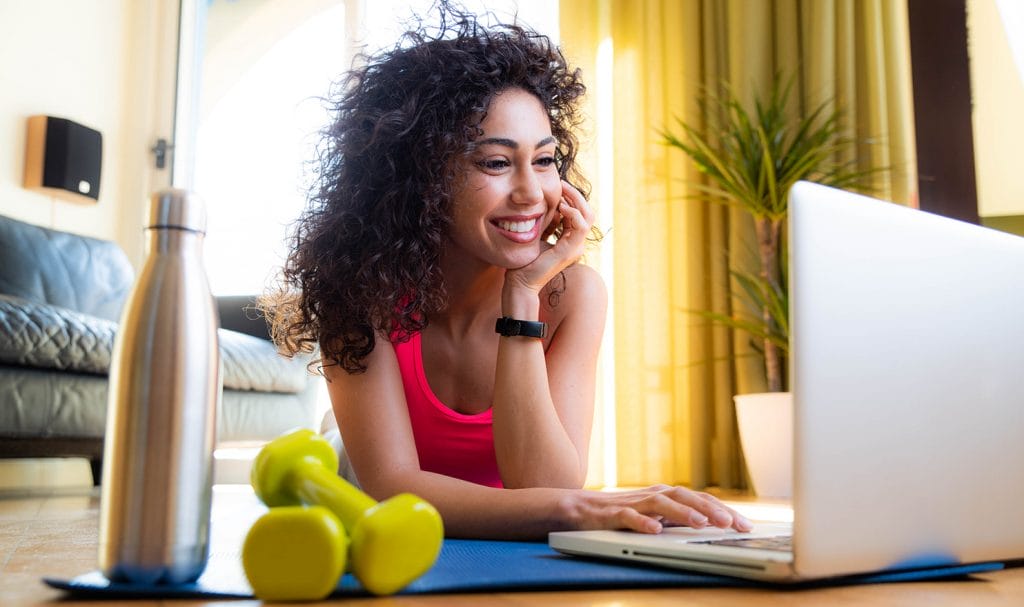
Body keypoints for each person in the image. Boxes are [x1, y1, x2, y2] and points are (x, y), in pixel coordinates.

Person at [264, 2, 752, 540]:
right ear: (421, 179)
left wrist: (522, 296)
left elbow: (543, 483)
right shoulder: (359, 294)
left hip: (496, 530)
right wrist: (578, 508)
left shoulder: (571, 294)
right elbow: (391, 486)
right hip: (362, 510)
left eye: (544, 160)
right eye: (495, 163)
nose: (530, 194)